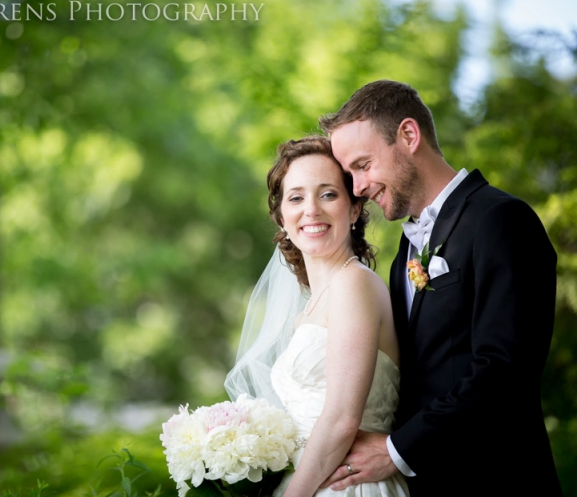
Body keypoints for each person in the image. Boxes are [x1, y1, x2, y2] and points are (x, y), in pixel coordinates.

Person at [317, 80, 562, 496]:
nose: (357, 187)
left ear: (409, 136)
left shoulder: (501, 221)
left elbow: (505, 369)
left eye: (363, 165)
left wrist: (396, 451)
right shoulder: (404, 254)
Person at [225, 135, 410, 496]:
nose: (311, 210)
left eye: (328, 194)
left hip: (351, 487)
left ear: (355, 209)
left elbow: (341, 421)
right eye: (296, 197)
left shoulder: (354, 284)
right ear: (281, 217)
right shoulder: (311, 306)